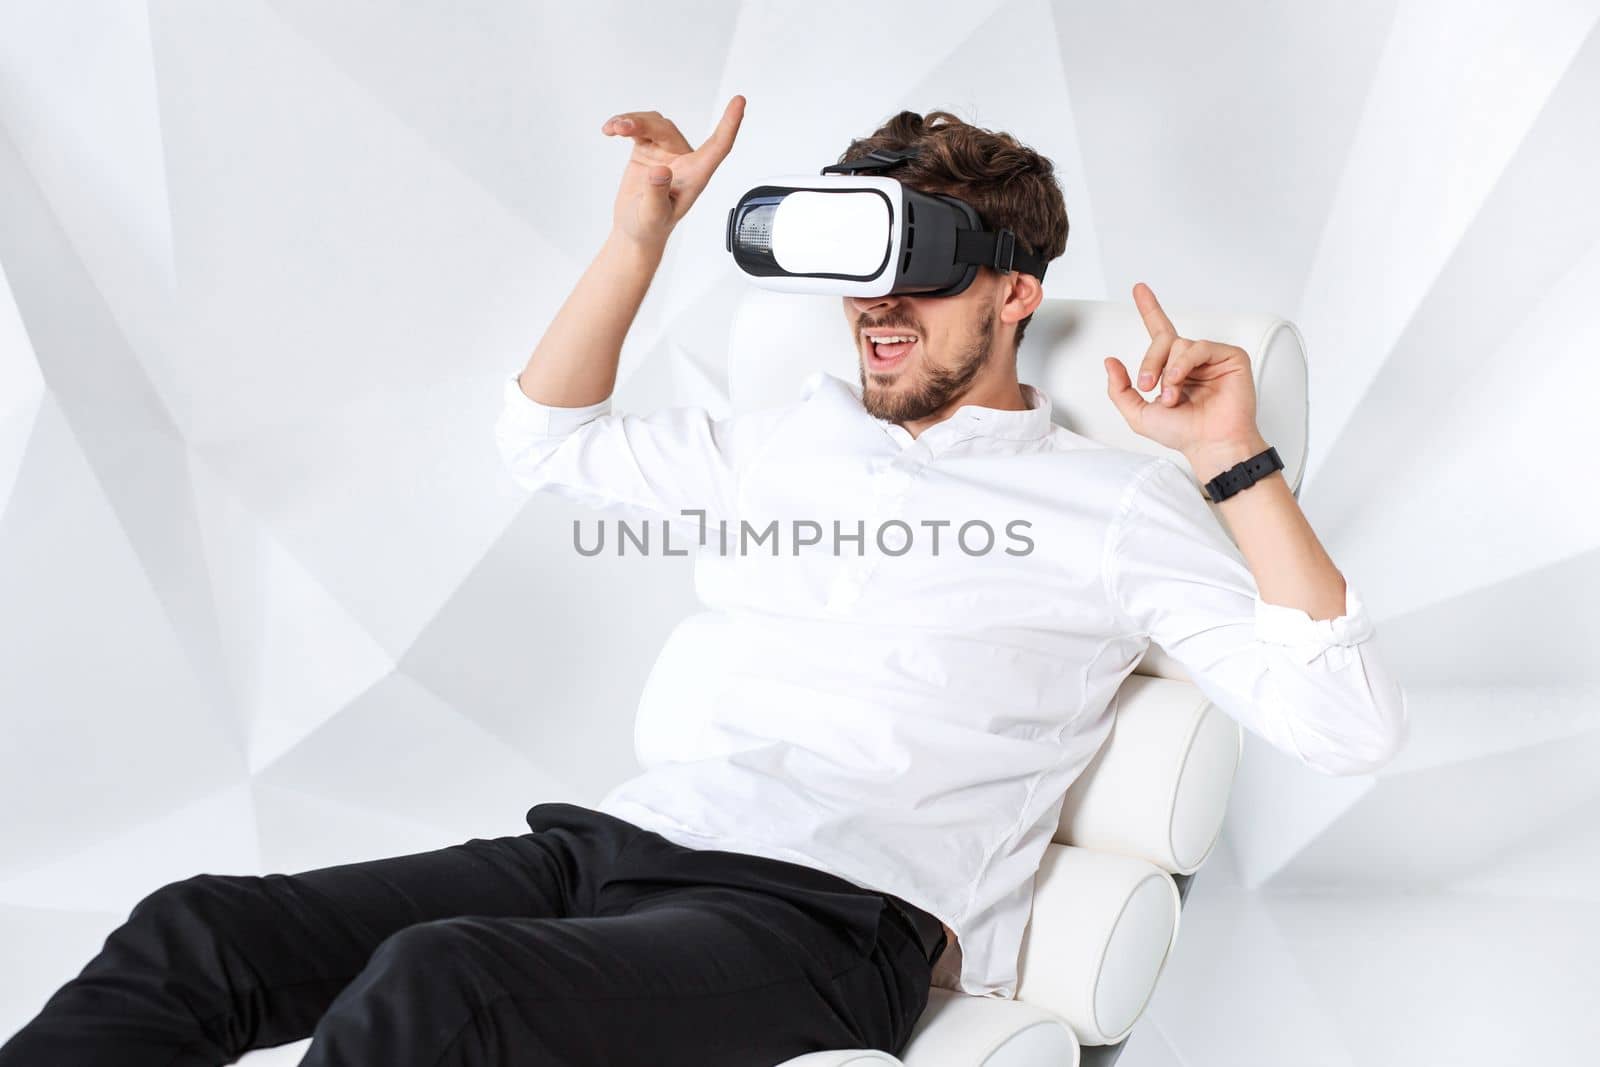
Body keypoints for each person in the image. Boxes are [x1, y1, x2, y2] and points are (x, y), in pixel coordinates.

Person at [0, 95, 1406, 1067]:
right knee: (199, 933)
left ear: (1013, 293)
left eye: (914, 268)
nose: (876, 308)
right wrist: (638, 240)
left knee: (445, 991)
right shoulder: (792, 440)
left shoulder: (1112, 504)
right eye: (858, 264)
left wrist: (1239, 464)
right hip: (610, 845)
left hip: (822, 917)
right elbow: (543, 440)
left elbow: (1349, 730)